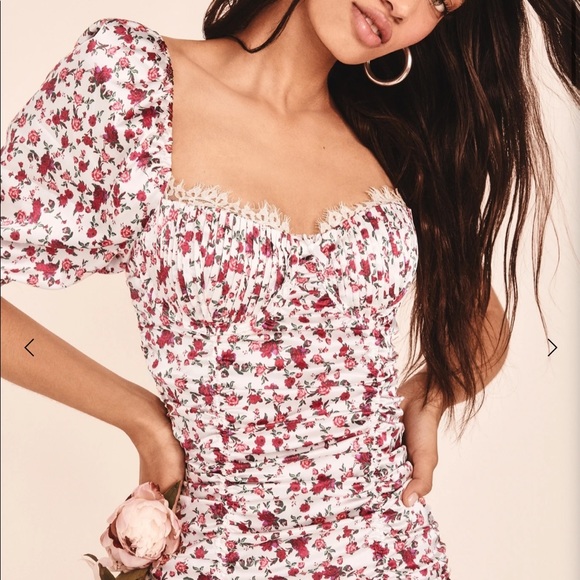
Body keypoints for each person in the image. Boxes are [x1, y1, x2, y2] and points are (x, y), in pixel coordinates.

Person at [1, 1, 578, 578]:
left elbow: (482, 322)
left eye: (440, 4)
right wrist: (139, 416)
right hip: (216, 553)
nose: (404, 7)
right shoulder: (131, 81)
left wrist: (429, 398)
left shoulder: (390, 139)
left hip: (392, 551)